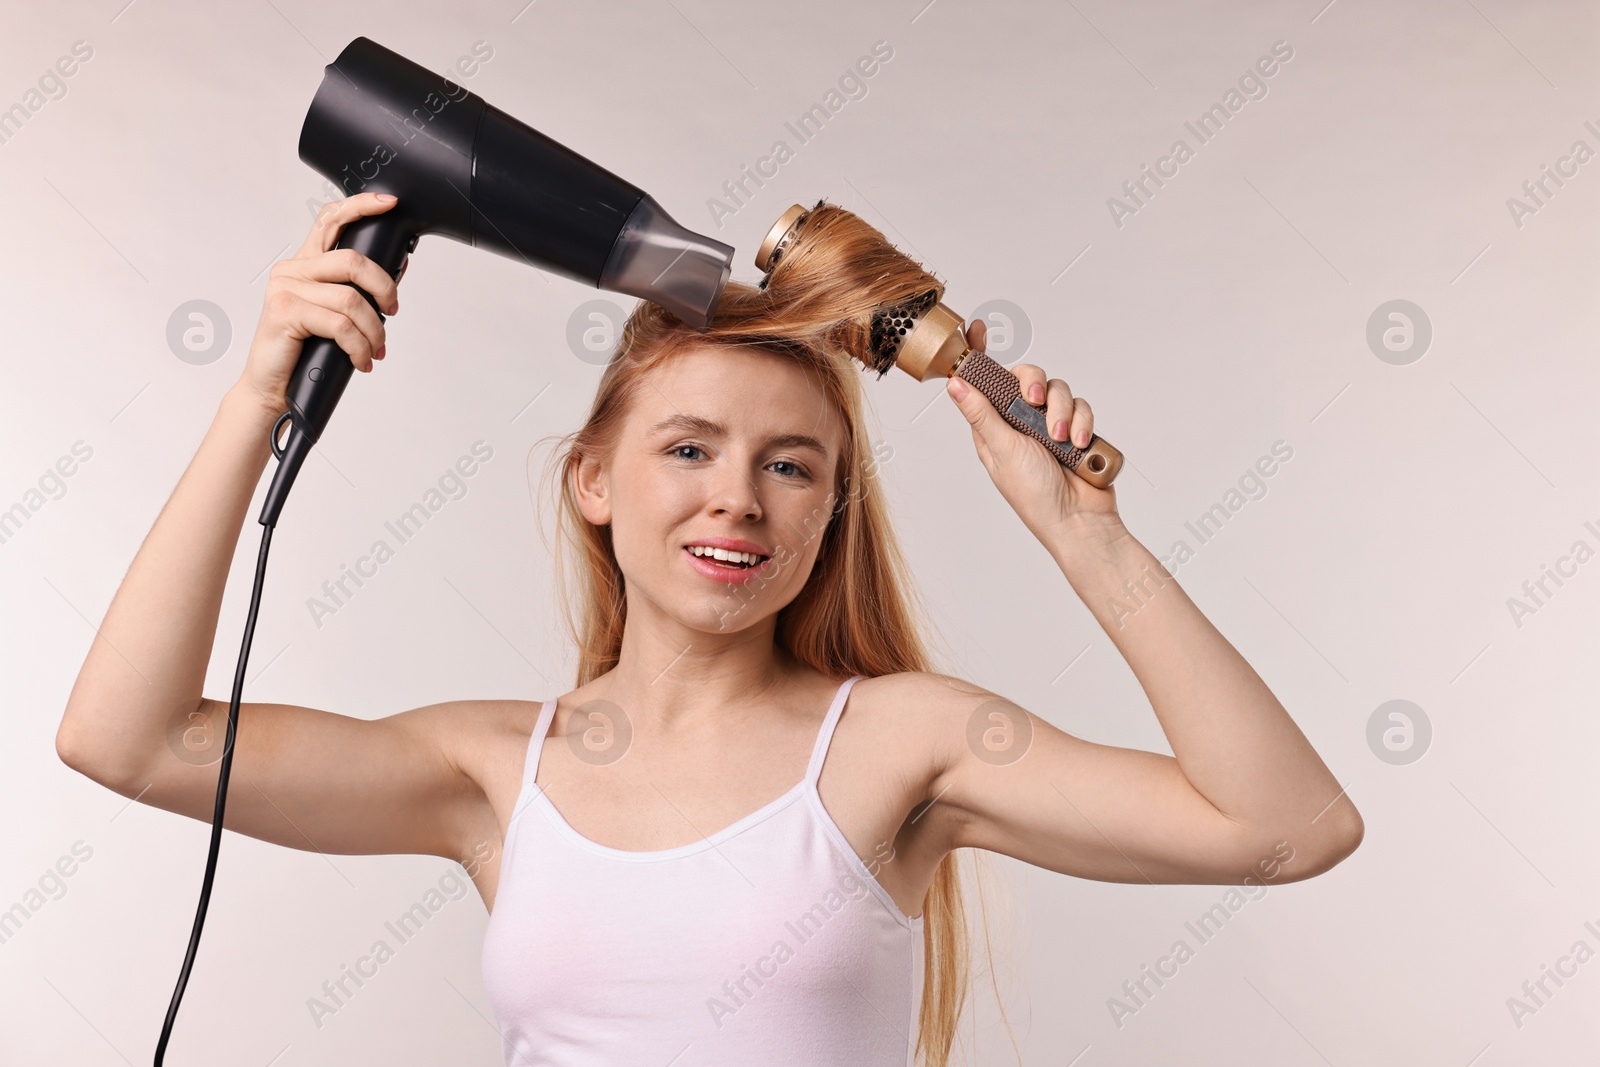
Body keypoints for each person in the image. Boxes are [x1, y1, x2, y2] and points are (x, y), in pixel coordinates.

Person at [57, 191, 1363, 1067]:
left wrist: (1085, 536)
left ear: (830, 510)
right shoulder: (487, 772)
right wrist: (255, 402)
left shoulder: (905, 745)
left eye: (792, 465)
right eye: (689, 448)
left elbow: (1287, 828)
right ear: (594, 481)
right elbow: (128, 740)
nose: (739, 494)